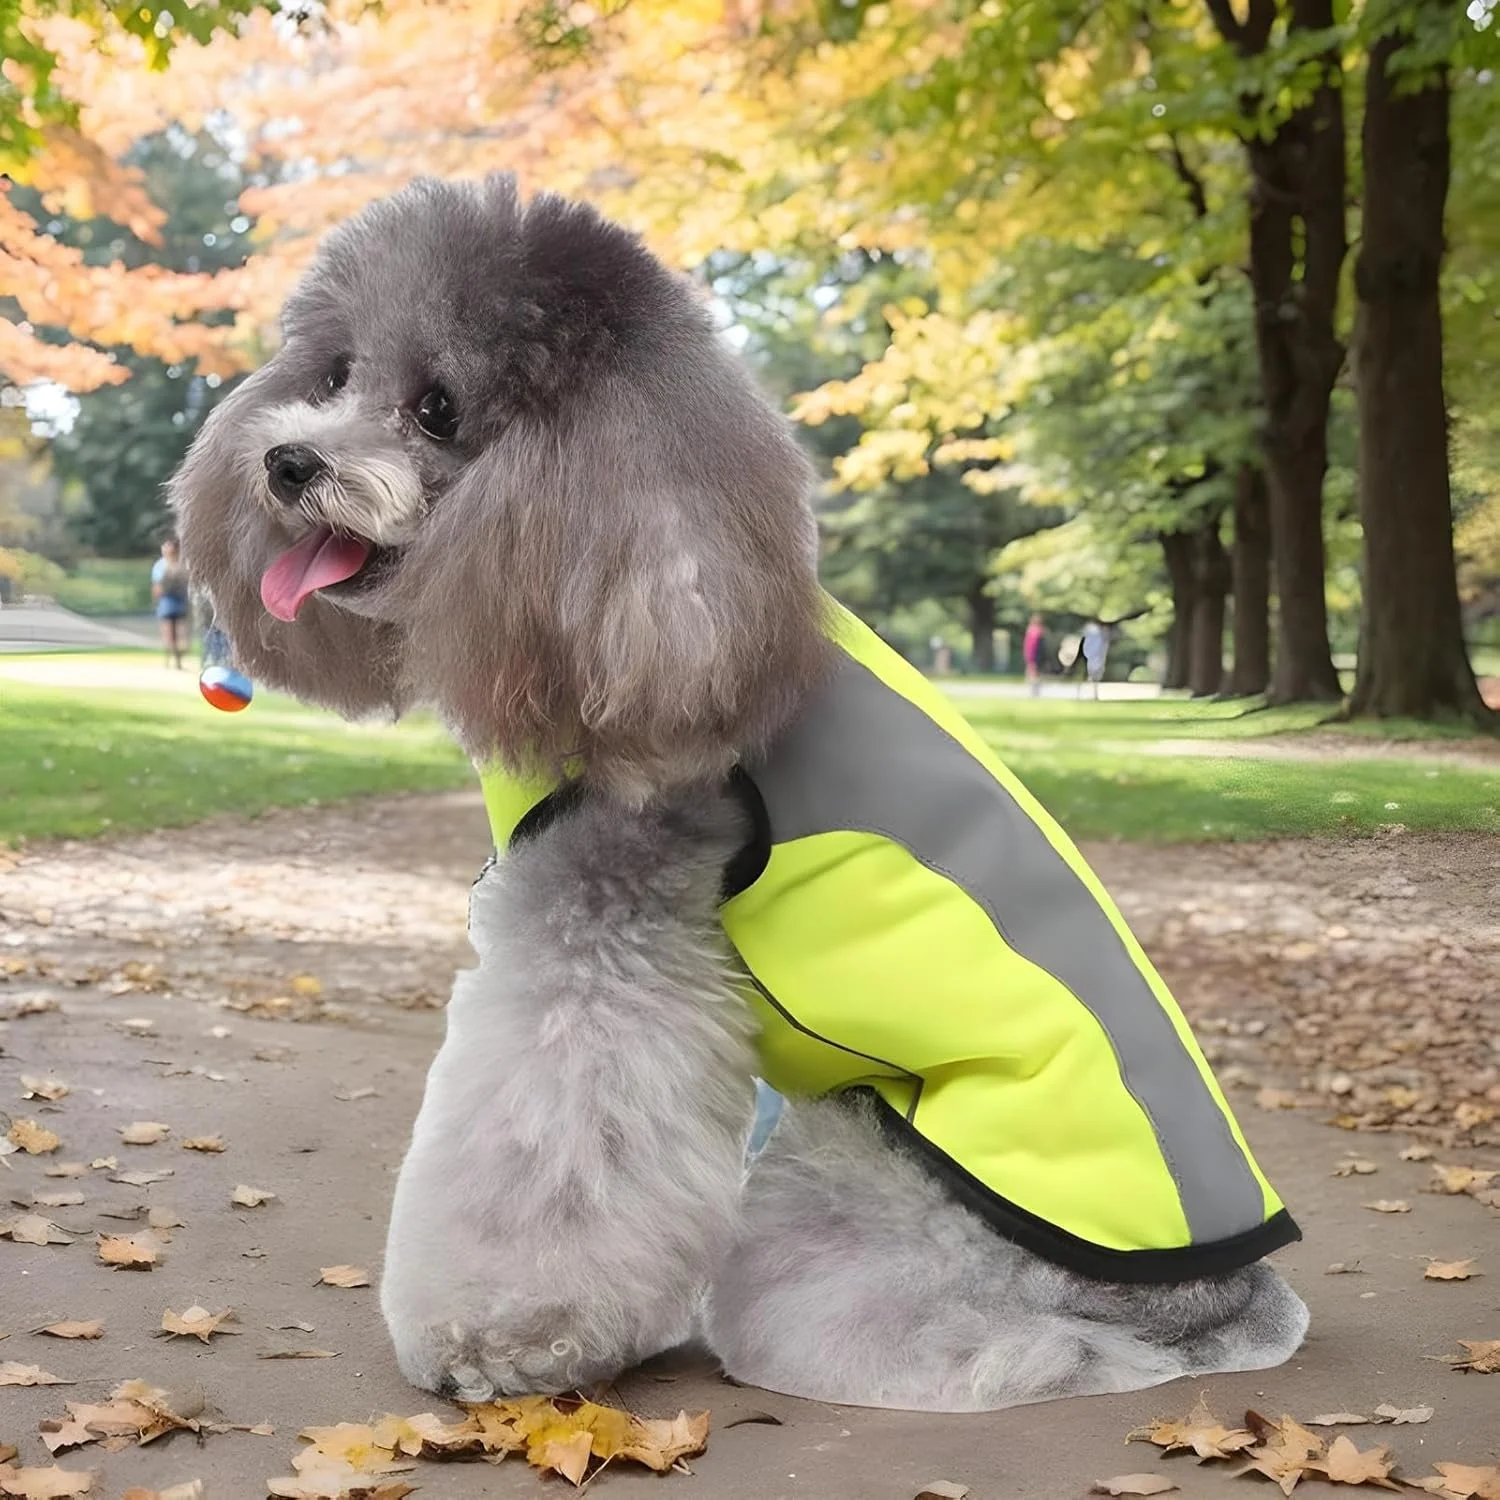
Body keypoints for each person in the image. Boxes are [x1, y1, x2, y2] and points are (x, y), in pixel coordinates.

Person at [150, 537, 191, 669]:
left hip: (173, 601)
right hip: (172, 601)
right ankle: (174, 660)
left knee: (174, 632)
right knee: (174, 631)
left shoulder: (164, 565)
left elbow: (157, 587)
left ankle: (173, 659)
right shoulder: (178, 565)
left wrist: (156, 600)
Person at [1080, 618, 1111, 698]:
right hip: (1095, 655)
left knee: (1094, 674)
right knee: (1095, 674)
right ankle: (1092, 692)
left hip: (1093, 655)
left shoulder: (1092, 629)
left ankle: (1092, 692)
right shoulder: (1096, 630)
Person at [1022, 612, 1045, 696]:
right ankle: (1035, 690)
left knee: (1032, 672)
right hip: (1037, 655)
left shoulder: (1032, 630)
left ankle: (1034, 691)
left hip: (1032, 654)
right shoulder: (1039, 631)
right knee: (1035, 672)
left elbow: (1029, 645)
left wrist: (1028, 656)